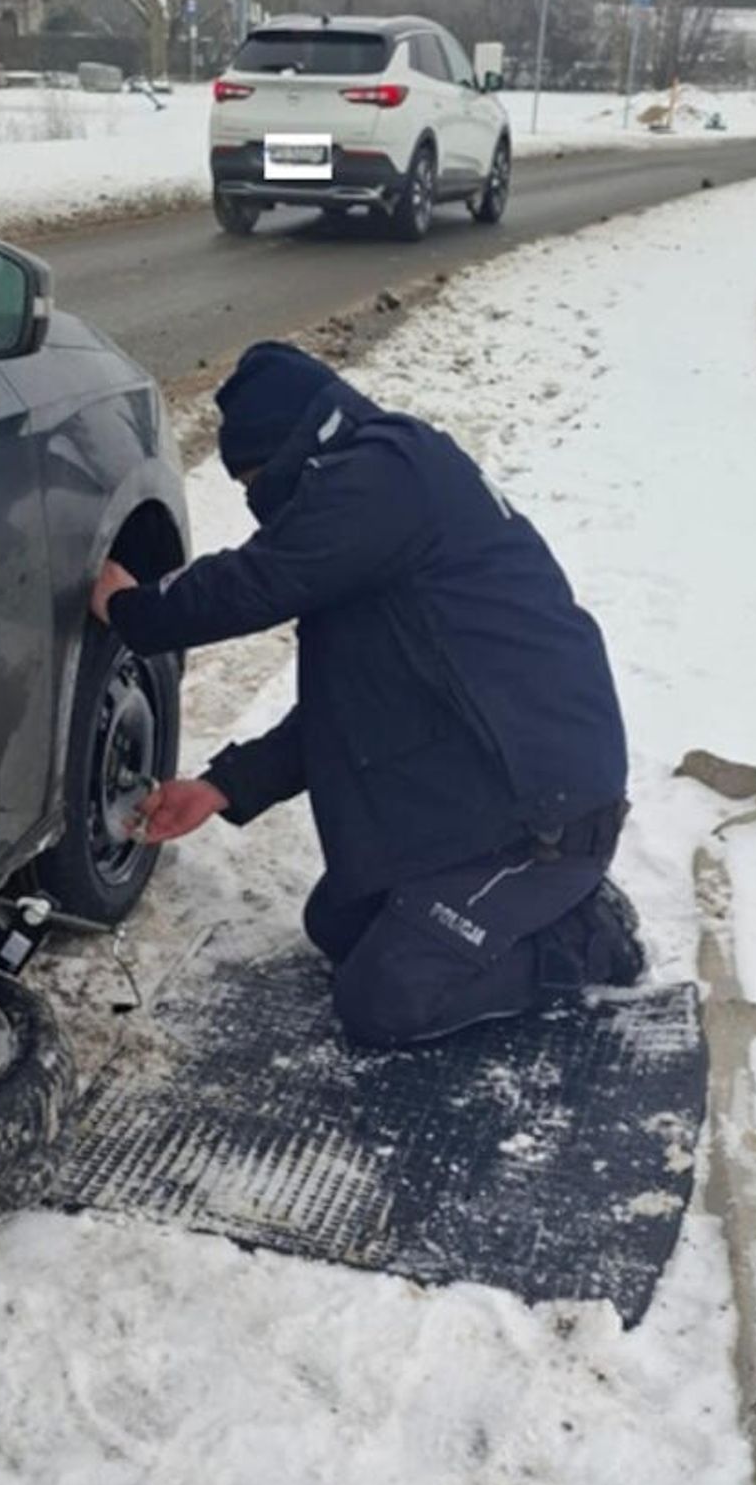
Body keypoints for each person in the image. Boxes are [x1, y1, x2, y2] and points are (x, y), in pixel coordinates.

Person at [91, 341, 644, 1049]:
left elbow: (252, 582)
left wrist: (133, 609)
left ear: (291, 448)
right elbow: (352, 708)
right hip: (486, 787)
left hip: (544, 817)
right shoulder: (381, 508)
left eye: (255, 476)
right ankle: (516, 913)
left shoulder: (386, 475)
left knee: (385, 1002)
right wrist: (222, 787)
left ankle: (586, 936)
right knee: (339, 923)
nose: (257, 498)